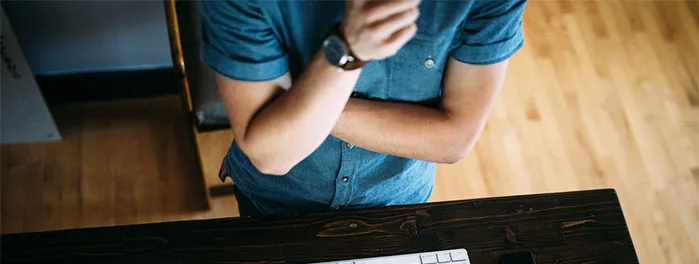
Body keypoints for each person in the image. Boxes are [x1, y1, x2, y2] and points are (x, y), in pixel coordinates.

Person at [201, 0, 527, 217]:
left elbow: (454, 139)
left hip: (398, 200)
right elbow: (272, 155)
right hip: (275, 203)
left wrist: (301, 110)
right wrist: (348, 50)